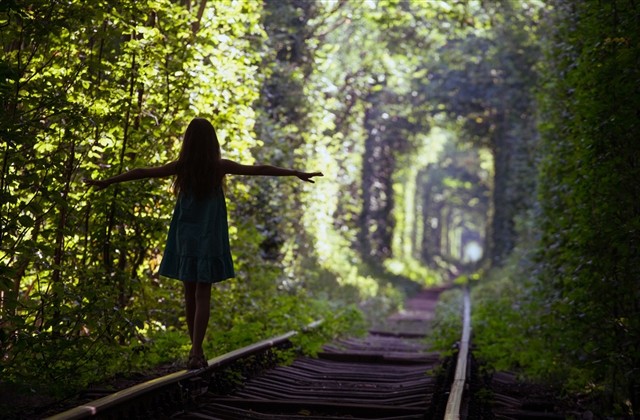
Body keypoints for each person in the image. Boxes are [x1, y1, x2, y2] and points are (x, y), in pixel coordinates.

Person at [85, 117, 323, 369]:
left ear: (188, 142)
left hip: (185, 236)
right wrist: (295, 173)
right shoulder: (218, 166)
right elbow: (259, 168)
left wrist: (108, 181)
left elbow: (143, 172)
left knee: (189, 294)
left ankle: (195, 351)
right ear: (212, 143)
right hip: (209, 236)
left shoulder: (182, 167)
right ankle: (196, 350)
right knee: (202, 294)